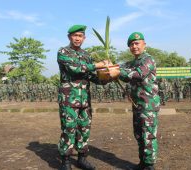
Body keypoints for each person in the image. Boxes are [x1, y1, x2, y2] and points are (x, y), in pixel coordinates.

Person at [57, 24, 110, 170]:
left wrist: (107, 77)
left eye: (80, 36)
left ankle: (82, 158)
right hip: (68, 99)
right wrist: (98, 65)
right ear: (69, 37)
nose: (77, 38)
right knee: (69, 128)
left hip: (84, 100)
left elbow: (91, 76)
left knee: (84, 129)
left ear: (84, 38)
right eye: (75, 35)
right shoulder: (63, 52)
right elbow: (76, 68)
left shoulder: (87, 55)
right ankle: (66, 161)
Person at [119, 32, 160, 170]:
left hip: (148, 104)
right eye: (131, 44)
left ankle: (149, 165)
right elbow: (123, 73)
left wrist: (118, 72)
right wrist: (111, 67)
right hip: (137, 104)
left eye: (137, 43)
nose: (134, 46)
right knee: (139, 135)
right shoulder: (132, 63)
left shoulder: (148, 60)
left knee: (148, 136)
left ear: (144, 45)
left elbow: (138, 74)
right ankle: (142, 163)